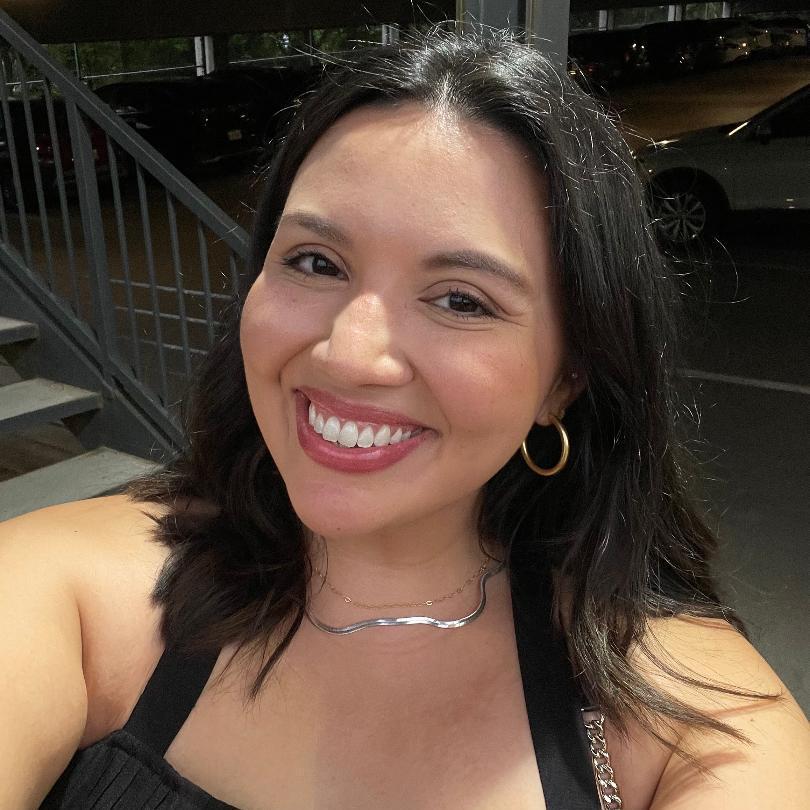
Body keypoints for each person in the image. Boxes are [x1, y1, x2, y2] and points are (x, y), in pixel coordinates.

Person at [2, 31, 808, 810]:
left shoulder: (696, 725)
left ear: (566, 379)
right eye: (316, 261)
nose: (350, 355)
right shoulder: (68, 594)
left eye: (460, 300)